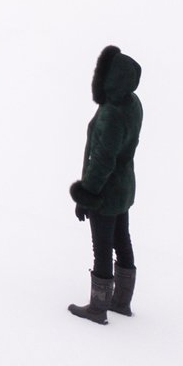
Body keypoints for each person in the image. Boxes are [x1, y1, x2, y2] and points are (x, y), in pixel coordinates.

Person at [67, 44, 143, 325]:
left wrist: (87, 196)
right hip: (124, 187)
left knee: (102, 245)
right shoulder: (132, 103)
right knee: (122, 239)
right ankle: (121, 302)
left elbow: (101, 160)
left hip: (106, 192)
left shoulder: (111, 113)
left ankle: (98, 308)